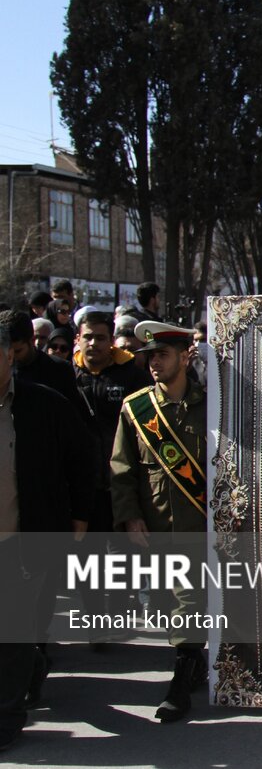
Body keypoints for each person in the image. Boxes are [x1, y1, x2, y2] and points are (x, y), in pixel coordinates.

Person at [0, 322, 93, 752]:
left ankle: (7, 717)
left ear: (8, 357)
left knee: (15, 631)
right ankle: (30, 670)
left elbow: (80, 461)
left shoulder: (43, 405)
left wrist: (78, 517)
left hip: (25, 539)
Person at [109, 321, 208, 723]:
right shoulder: (137, 408)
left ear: (185, 356)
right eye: (149, 357)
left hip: (200, 527)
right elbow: (121, 469)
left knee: (189, 606)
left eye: (161, 355)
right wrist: (130, 517)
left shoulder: (215, 404)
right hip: (155, 526)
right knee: (165, 608)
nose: (153, 363)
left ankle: (180, 684)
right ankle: (194, 661)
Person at [73, 310, 149, 637]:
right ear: (78, 339)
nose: (93, 344)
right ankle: (95, 622)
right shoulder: (68, 376)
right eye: (87, 337)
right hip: (82, 488)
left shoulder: (129, 375)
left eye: (100, 337)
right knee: (87, 559)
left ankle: (116, 616)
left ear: (110, 341)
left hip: (119, 484)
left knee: (120, 558)